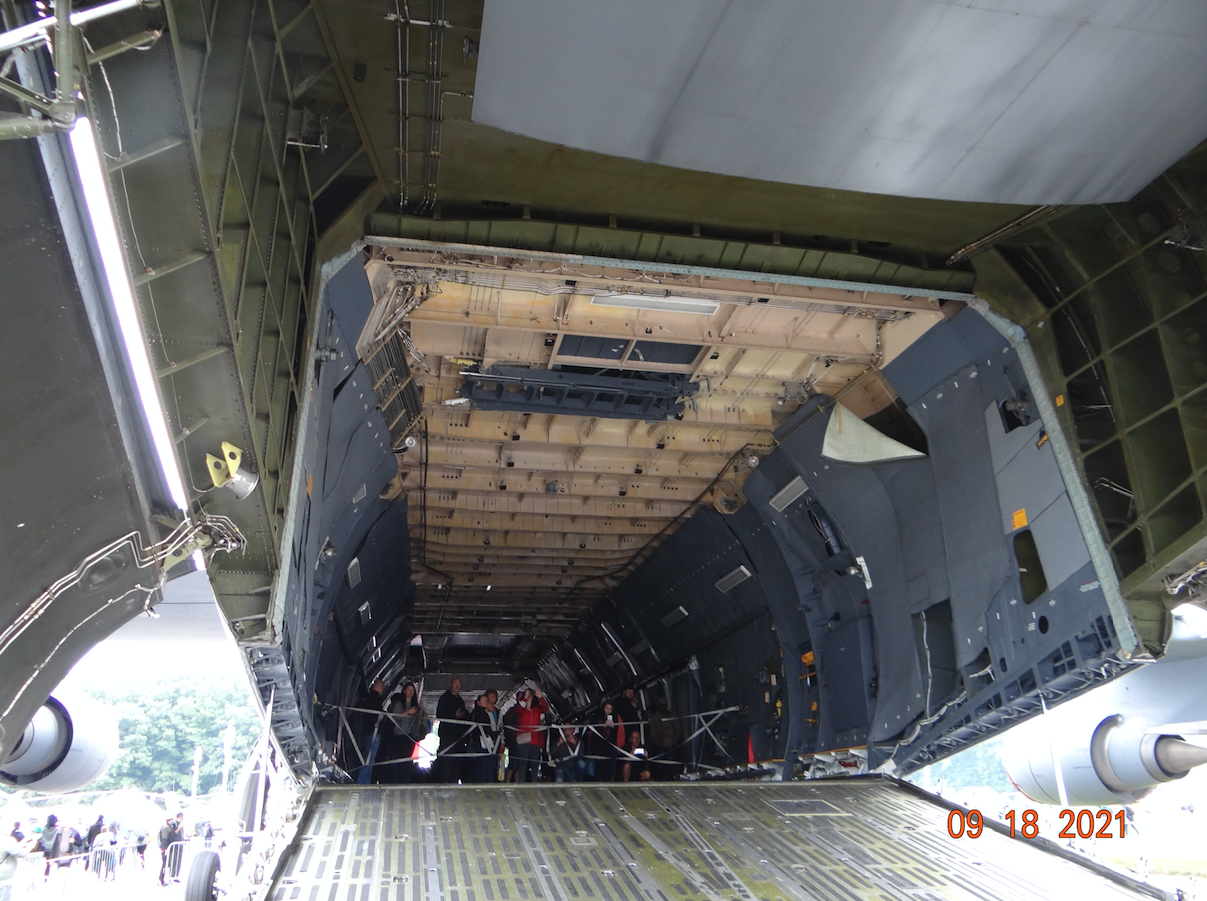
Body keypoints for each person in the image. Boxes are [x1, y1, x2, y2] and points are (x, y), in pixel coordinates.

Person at [384, 682, 424, 783]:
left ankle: (405, 781)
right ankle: (397, 781)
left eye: (412, 690)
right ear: (405, 691)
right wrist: (408, 712)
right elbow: (395, 717)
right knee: (400, 759)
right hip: (399, 735)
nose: (410, 692)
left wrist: (419, 715)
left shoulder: (415, 705)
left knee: (407, 760)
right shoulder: (399, 703)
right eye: (409, 690)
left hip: (409, 736)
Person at [436, 677, 470, 783]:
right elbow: (440, 715)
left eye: (459, 684)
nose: (457, 686)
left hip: (458, 737)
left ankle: (453, 785)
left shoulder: (460, 700)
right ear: (451, 684)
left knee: (456, 762)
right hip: (447, 735)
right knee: (447, 762)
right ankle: (444, 785)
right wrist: (453, 715)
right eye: (455, 683)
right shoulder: (444, 698)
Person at [512, 685, 549, 783]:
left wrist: (540, 696)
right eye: (529, 696)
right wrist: (524, 697)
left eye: (531, 696)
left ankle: (534, 783)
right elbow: (517, 709)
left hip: (535, 740)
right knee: (523, 763)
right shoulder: (521, 710)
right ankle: (521, 783)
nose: (530, 697)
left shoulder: (537, 709)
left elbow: (545, 708)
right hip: (524, 740)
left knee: (535, 764)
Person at [356, 678, 387, 784]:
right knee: (370, 760)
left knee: (367, 759)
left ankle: (363, 782)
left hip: (366, 732)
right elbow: (376, 716)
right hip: (374, 733)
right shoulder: (376, 699)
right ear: (381, 688)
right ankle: (363, 783)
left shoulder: (367, 698)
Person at [588, 699, 624, 781]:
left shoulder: (615, 717)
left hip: (609, 746)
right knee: (599, 767)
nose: (608, 711)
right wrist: (603, 725)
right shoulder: (597, 715)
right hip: (598, 746)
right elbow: (593, 729)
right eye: (607, 708)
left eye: (610, 709)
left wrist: (612, 726)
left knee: (609, 767)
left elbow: (616, 731)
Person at [470, 690, 501, 783]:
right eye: (484, 700)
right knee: (484, 764)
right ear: (478, 702)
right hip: (484, 742)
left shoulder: (496, 711)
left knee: (487, 764)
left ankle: (484, 784)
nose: (486, 702)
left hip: (489, 741)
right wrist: (496, 733)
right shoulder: (480, 713)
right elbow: (485, 727)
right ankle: (484, 784)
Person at [647, 697, 682, 781]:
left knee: (660, 764)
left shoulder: (655, 716)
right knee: (670, 763)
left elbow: (652, 732)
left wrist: (657, 741)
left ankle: (660, 778)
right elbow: (679, 730)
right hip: (670, 745)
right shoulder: (673, 715)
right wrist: (674, 741)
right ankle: (669, 777)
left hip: (660, 745)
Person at [157, 812, 184, 885]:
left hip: (168, 848)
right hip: (166, 849)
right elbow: (165, 838)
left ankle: (161, 880)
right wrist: (164, 848)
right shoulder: (166, 827)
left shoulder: (169, 827)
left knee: (166, 864)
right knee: (165, 864)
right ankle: (161, 880)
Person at [34, 815, 61, 880]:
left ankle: (36, 878)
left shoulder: (42, 829)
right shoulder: (58, 831)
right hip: (51, 850)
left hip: (42, 849)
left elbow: (36, 836)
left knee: (39, 865)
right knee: (48, 866)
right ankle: (46, 878)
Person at [501, 701, 521, 782]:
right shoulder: (512, 711)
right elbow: (507, 724)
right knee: (513, 763)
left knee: (519, 764)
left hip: (522, 741)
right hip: (513, 741)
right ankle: (507, 781)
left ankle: (517, 783)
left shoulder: (525, 710)